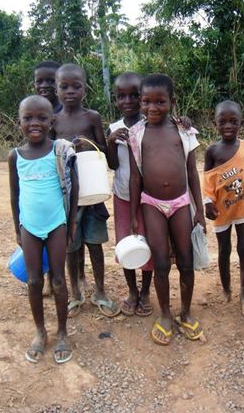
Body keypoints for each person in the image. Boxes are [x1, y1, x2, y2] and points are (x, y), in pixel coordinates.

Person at [128, 73, 206, 345]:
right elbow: (135, 178)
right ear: (140, 102)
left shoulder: (184, 131)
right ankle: (164, 315)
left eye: (160, 102)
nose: (152, 107)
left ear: (172, 101)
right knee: (160, 263)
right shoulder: (136, 134)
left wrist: (199, 210)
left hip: (181, 203)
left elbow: (192, 172)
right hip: (151, 204)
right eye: (146, 101)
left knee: (186, 262)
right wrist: (133, 216)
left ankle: (185, 313)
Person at [8, 95, 77, 364]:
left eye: (41, 118)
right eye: (28, 118)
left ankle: (62, 333)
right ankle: (40, 331)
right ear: (19, 122)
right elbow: (14, 195)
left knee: (58, 280)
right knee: (34, 281)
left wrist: (71, 223)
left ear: (52, 121)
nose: (34, 123)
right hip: (29, 226)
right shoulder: (15, 156)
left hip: (57, 224)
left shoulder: (59, 152)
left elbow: (74, 187)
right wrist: (18, 228)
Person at [50, 63, 120, 318]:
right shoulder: (54, 120)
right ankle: (75, 294)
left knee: (95, 244)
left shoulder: (92, 117)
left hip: (93, 193)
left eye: (76, 86)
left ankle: (100, 291)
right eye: (64, 87)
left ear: (85, 90)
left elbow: (102, 150)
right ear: (57, 91)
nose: (70, 91)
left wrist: (96, 144)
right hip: (67, 198)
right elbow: (49, 153)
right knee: (71, 246)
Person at [203, 100, 244, 316]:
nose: (228, 126)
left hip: (243, 209)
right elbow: (207, 180)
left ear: (242, 122)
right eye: (222, 122)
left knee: (243, 249)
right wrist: (207, 203)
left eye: (233, 121)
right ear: (215, 123)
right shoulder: (212, 151)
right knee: (224, 250)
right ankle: (226, 288)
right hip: (221, 211)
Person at [106, 72, 154, 317]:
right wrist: (110, 142)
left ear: (142, 97)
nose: (128, 101)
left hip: (148, 198)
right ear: (115, 99)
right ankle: (132, 291)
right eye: (121, 96)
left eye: (134, 95)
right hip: (123, 196)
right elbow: (113, 165)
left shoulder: (151, 124)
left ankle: (145, 291)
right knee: (125, 244)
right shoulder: (114, 128)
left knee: (146, 243)